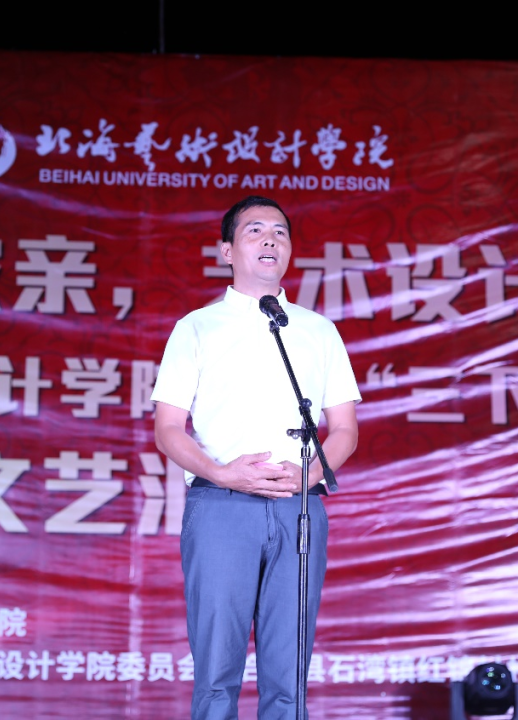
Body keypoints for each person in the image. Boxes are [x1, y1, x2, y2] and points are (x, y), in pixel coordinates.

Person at [151, 195, 361, 719]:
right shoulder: (197, 327)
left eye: (280, 232)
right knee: (217, 673)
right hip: (221, 507)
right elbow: (168, 429)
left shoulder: (317, 330)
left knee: (289, 674)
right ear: (227, 251)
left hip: (298, 508)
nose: (271, 239)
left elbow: (344, 429)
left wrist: (309, 475)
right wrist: (223, 473)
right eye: (255, 230)